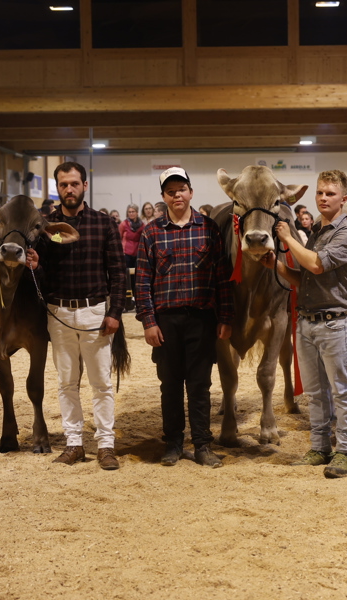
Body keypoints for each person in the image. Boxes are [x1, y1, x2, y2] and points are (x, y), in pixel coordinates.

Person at [24, 162, 128, 470]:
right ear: (58, 188)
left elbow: (119, 273)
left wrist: (115, 312)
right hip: (59, 313)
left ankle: (106, 445)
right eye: (63, 184)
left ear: (84, 185)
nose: (69, 189)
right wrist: (35, 267)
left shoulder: (103, 223)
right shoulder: (45, 228)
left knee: (101, 383)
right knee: (67, 382)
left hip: (95, 310)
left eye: (74, 183)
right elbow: (43, 277)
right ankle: (74, 443)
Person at [260, 170, 347, 478]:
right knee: (316, 394)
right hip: (306, 321)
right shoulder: (316, 231)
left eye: (330, 193)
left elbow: (317, 265)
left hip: (334, 322)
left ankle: (345, 451)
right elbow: (302, 279)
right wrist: (276, 265)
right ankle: (319, 447)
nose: (323, 198)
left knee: (341, 390)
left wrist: (288, 238)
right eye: (320, 192)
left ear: (343, 199)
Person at [135, 167, 233, 468]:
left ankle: (202, 443)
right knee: (170, 384)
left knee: (200, 385)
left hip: (201, 318)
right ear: (163, 196)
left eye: (182, 189)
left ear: (190, 192)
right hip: (166, 322)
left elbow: (222, 277)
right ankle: (174, 443)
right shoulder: (151, 233)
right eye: (170, 191)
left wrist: (225, 316)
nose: (177, 195)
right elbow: (141, 282)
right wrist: (149, 322)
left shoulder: (208, 228)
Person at [120, 204, 143, 308]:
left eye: (133, 211)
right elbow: (118, 238)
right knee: (126, 278)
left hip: (137, 254)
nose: (131, 213)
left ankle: (137, 301)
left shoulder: (142, 225)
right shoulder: (123, 224)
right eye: (129, 212)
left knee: (136, 279)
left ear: (137, 212)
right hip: (126, 254)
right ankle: (126, 302)